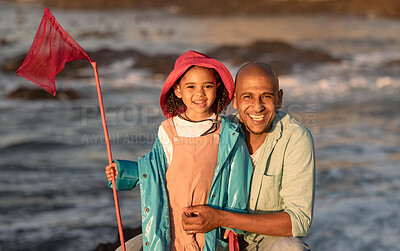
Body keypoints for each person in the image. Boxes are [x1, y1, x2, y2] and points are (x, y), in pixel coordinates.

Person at [105, 50, 253, 251]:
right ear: (178, 90)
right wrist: (123, 171)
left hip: (210, 224)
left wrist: (233, 223)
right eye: (190, 86)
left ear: (217, 88)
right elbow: (154, 168)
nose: (199, 93)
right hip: (173, 224)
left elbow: (237, 179)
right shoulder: (167, 129)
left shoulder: (228, 133)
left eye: (207, 86)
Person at [182, 62, 315, 251]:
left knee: (292, 248)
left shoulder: (295, 138)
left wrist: (221, 218)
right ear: (234, 100)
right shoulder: (217, 132)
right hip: (213, 239)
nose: (257, 106)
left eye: (266, 96)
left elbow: (298, 221)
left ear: (279, 99)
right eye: (248, 97)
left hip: (267, 240)